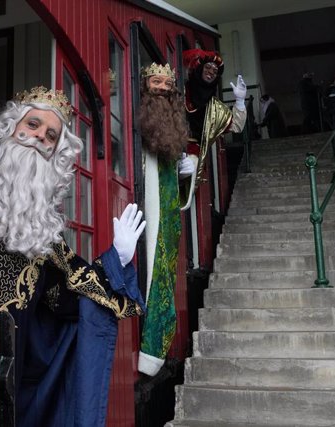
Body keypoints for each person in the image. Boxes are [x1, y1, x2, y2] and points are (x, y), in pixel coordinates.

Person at [0, 86, 147, 426]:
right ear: (11, 128)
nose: (39, 137)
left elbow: (68, 300)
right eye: (33, 124)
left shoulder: (41, 231)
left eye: (50, 135)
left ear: (56, 153)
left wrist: (116, 259)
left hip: (6, 377)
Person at [135, 63, 192, 376]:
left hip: (167, 211)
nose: (162, 88)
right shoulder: (138, 119)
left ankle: (155, 347)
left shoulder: (172, 127)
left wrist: (188, 168)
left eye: (168, 84)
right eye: (156, 82)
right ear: (145, 85)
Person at [182, 49, 247, 189]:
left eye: (215, 71)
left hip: (192, 154)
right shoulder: (181, 89)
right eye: (208, 67)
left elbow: (236, 126)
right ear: (199, 68)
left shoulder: (215, 108)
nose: (211, 72)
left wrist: (240, 100)